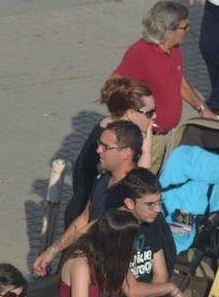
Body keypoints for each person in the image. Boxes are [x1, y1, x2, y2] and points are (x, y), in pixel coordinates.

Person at [50, 83, 152, 252]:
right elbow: (140, 182)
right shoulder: (110, 149)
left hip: (90, 215)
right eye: (149, 113)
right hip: (91, 217)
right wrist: (146, 150)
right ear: (131, 113)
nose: (154, 118)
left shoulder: (108, 131)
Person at [114, 0, 211, 132]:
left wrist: (201, 108)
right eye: (185, 27)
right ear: (169, 32)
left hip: (165, 134)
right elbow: (114, 89)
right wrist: (137, 122)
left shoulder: (174, 48)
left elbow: (177, 79)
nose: (188, 30)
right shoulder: (140, 53)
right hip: (146, 136)